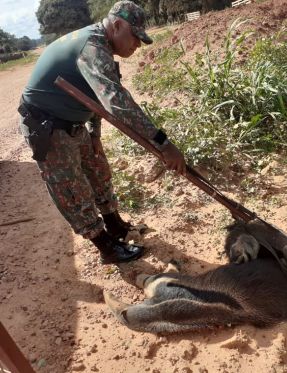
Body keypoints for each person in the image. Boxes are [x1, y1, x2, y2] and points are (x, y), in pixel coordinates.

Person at [18, 1, 186, 264]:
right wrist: (163, 143)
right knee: (71, 187)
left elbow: (94, 98)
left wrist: (94, 134)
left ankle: (114, 225)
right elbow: (116, 101)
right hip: (47, 126)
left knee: (99, 170)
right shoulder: (93, 47)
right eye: (135, 37)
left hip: (74, 121)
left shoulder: (101, 45)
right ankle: (106, 246)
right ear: (117, 26)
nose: (137, 45)